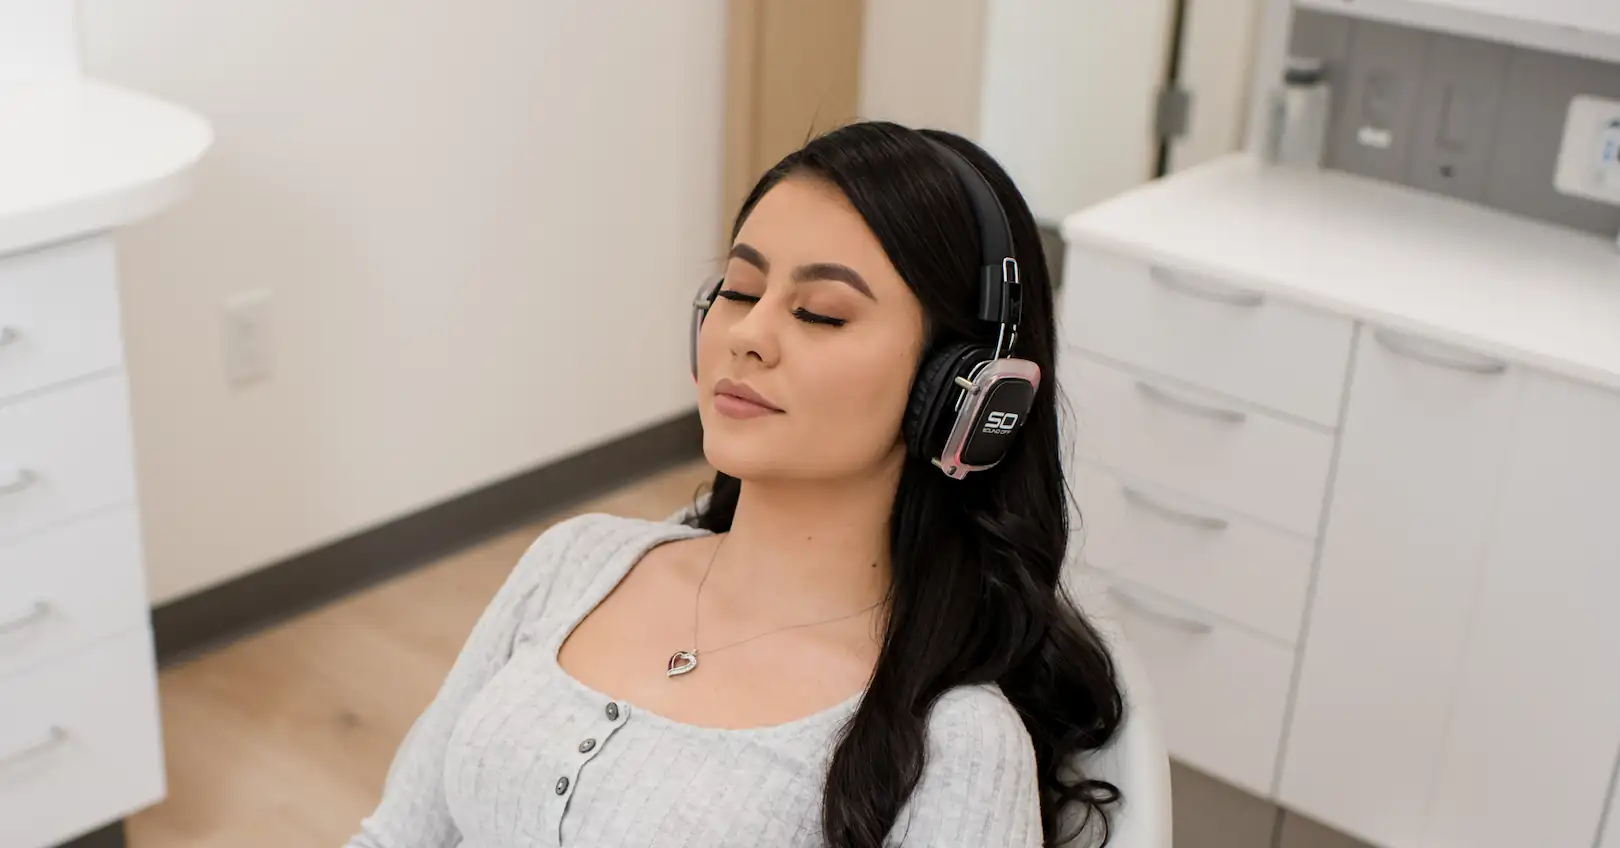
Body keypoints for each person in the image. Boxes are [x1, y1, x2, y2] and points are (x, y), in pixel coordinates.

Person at [345, 121, 1125, 848]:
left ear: (964, 390)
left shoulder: (953, 744)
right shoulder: (574, 563)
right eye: (740, 291)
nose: (747, 335)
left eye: (821, 313)